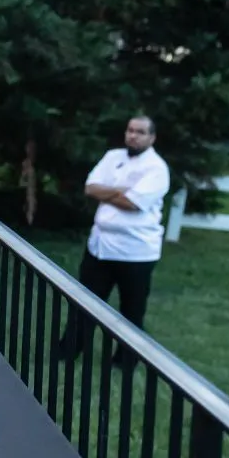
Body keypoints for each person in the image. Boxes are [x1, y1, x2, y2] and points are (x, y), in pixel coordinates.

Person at [57, 116, 170, 364]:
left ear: (152, 138)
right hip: (99, 247)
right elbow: (90, 188)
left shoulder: (156, 168)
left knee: (131, 309)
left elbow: (132, 204)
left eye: (140, 132)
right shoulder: (112, 157)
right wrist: (122, 191)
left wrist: (112, 192)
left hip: (136, 251)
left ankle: (126, 359)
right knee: (84, 302)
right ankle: (68, 351)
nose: (133, 135)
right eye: (130, 130)